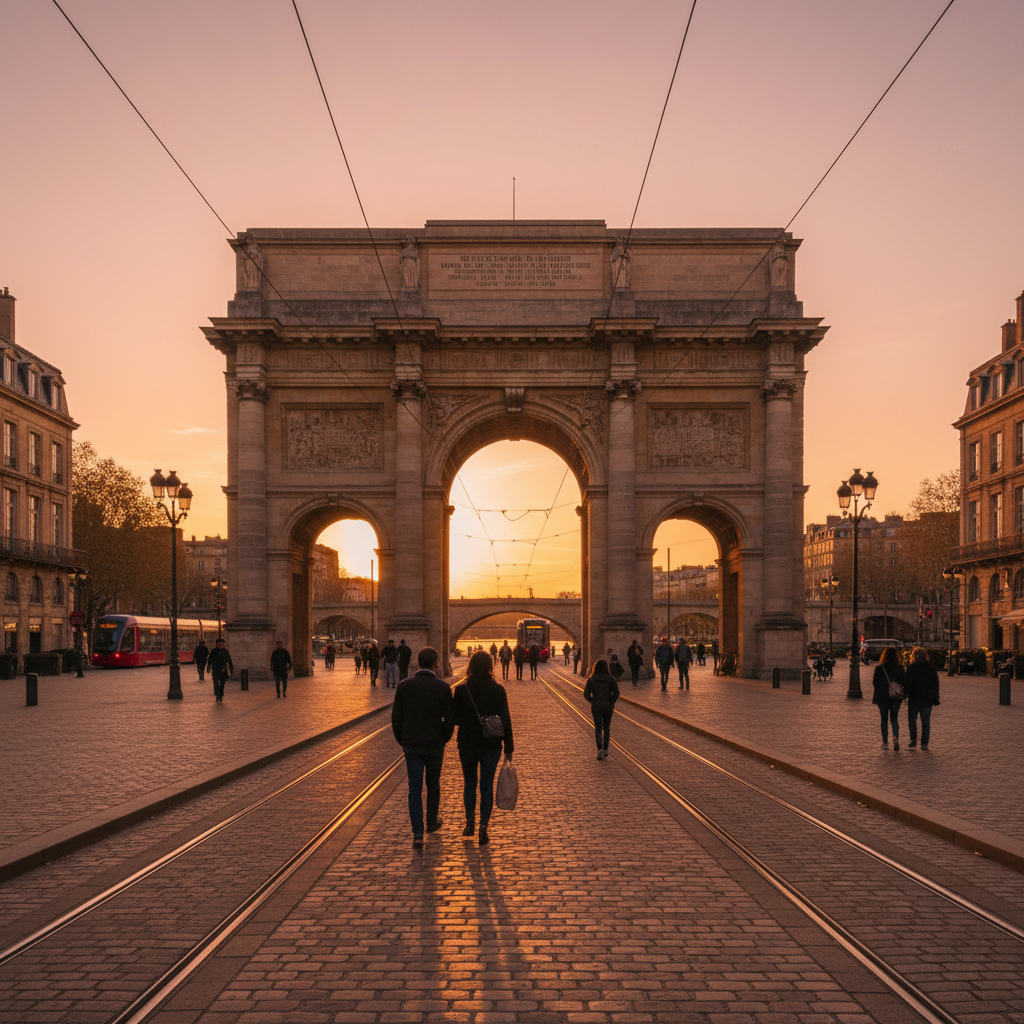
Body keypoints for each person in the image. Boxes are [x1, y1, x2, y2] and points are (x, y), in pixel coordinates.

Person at [391, 647, 454, 848]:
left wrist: (403, 740)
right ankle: (432, 821)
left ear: (417, 663)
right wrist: (444, 738)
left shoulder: (403, 686)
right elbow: (450, 719)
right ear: (436, 663)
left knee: (414, 788)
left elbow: (396, 718)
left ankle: (417, 832)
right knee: (433, 784)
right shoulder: (443, 687)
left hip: (412, 744)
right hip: (435, 744)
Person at [452, 651, 514, 846]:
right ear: (490, 666)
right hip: (491, 744)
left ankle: (469, 822)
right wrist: (509, 747)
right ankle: (483, 828)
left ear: (470, 666)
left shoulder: (462, 691)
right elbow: (505, 720)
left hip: (467, 743)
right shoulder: (498, 690)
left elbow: (454, 719)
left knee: (470, 783)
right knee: (486, 785)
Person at [904, 646, 940, 750]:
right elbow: (935, 685)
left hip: (914, 698)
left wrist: (905, 694)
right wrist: (936, 698)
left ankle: (913, 739)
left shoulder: (911, 668)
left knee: (912, 720)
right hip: (927, 698)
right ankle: (924, 743)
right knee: (925, 721)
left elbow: (907, 683)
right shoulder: (931, 669)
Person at [584, 658, 620, 760]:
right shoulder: (611, 678)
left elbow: (586, 694)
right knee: (607, 727)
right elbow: (617, 693)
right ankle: (605, 749)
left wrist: (593, 701)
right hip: (608, 706)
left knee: (598, 728)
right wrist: (612, 701)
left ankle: (599, 749)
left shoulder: (592, 679)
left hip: (596, 706)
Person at [872, 646, 907, 750]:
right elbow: (904, 682)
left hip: (882, 697)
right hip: (896, 697)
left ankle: (885, 742)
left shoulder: (879, 668)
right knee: (894, 719)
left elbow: (875, 683)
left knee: (884, 719)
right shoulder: (900, 668)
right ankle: (895, 738)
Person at [208, 637, 233, 703]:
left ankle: (220, 695)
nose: (220, 645)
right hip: (215, 670)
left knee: (222, 684)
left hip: (223, 670)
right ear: (216, 644)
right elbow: (210, 660)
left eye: (221, 644)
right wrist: (208, 667)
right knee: (216, 683)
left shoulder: (225, 651)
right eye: (219, 644)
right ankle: (217, 695)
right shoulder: (213, 651)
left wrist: (231, 669)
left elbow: (229, 661)